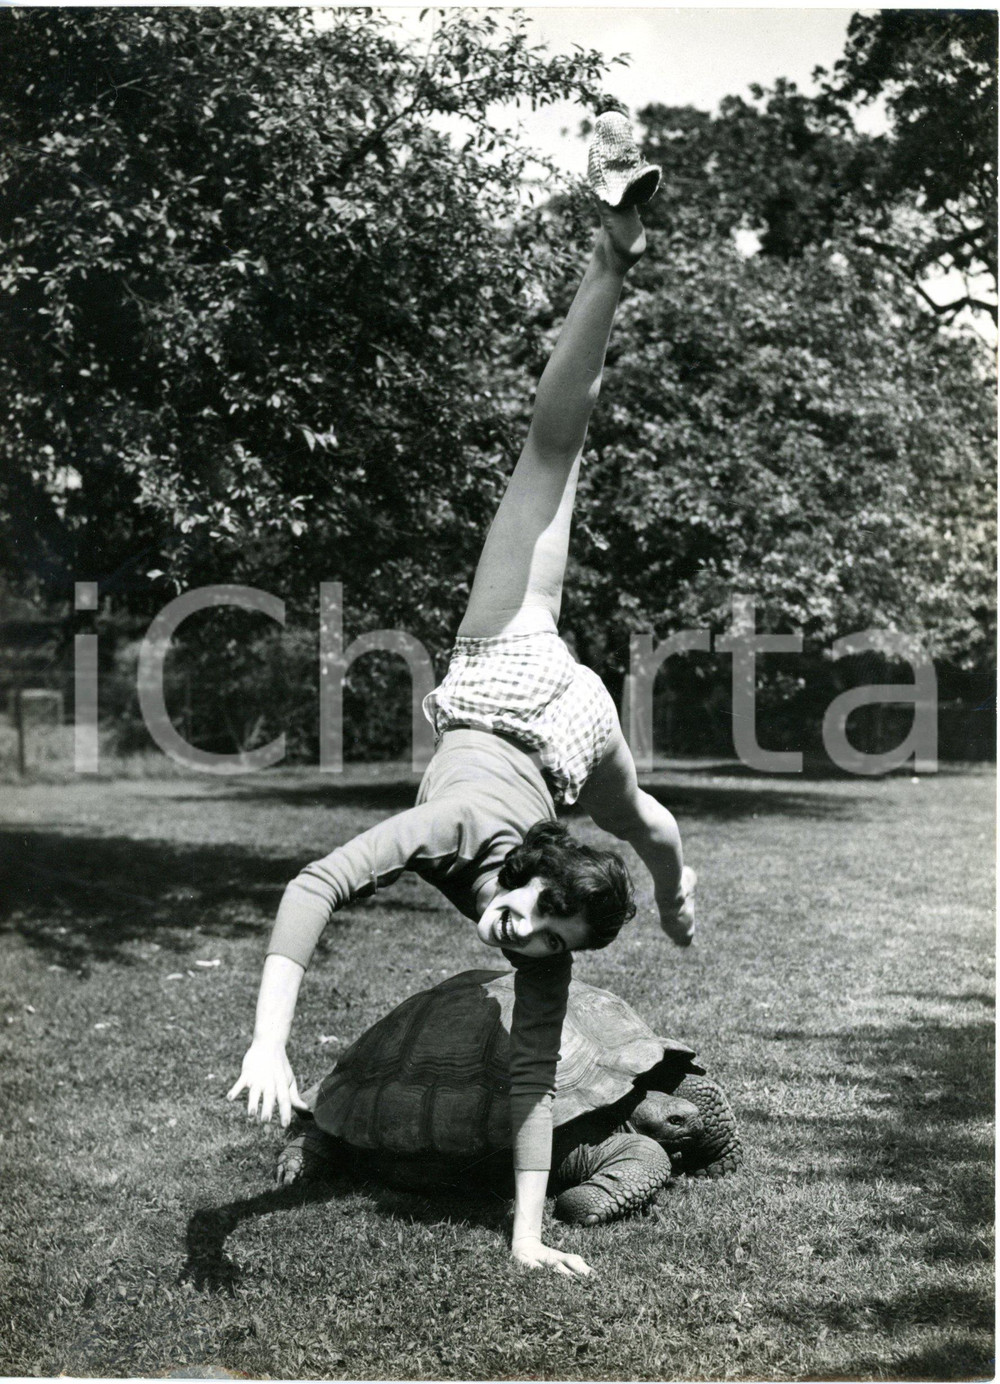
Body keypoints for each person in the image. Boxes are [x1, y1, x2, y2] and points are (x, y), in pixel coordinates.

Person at [228, 111, 696, 1281]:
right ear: (535, 867)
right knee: (553, 455)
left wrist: (529, 1234)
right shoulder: (465, 833)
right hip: (517, 681)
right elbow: (314, 881)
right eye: (539, 911)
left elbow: (536, 1079)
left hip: (565, 732)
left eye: (547, 936)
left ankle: (679, 894)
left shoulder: (545, 927)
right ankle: (610, 257)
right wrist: (266, 1044)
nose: (521, 933)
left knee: (643, 823)